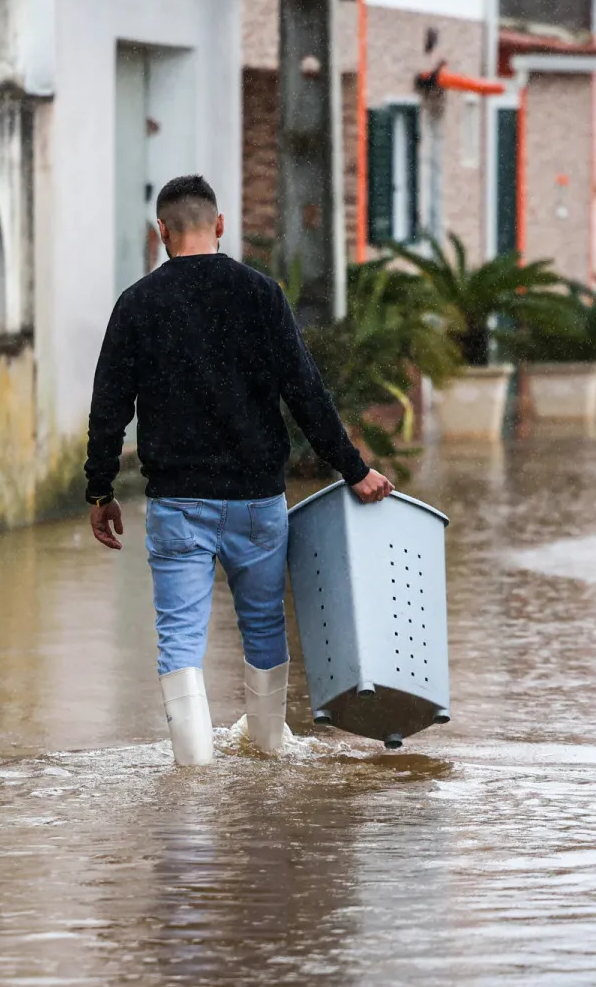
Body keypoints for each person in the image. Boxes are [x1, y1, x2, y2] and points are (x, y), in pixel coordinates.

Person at [84, 175, 394, 766]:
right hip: (257, 502)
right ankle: (271, 752)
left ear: (162, 233)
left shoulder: (138, 304)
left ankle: (193, 777)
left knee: (179, 641)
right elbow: (306, 393)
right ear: (220, 226)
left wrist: (100, 490)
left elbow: (108, 407)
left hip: (177, 503)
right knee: (262, 630)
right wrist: (354, 471)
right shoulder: (260, 294)